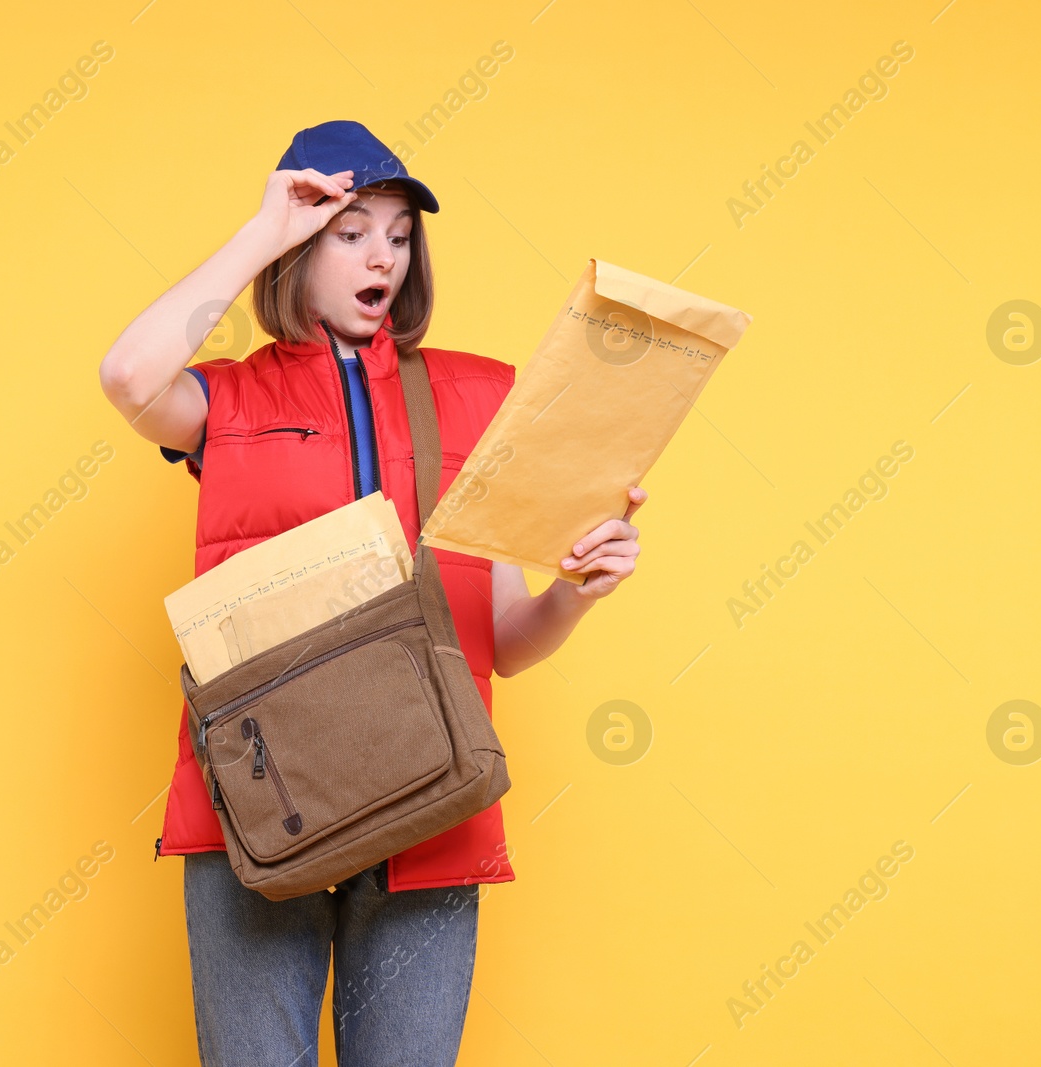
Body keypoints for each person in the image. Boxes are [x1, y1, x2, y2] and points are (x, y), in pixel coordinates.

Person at [98, 119, 646, 1067]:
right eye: (349, 231)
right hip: (264, 800)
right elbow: (128, 374)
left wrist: (577, 589)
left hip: (431, 794)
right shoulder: (228, 404)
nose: (380, 256)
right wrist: (265, 226)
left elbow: (504, 637)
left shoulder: (481, 399)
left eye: (397, 234)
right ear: (301, 248)